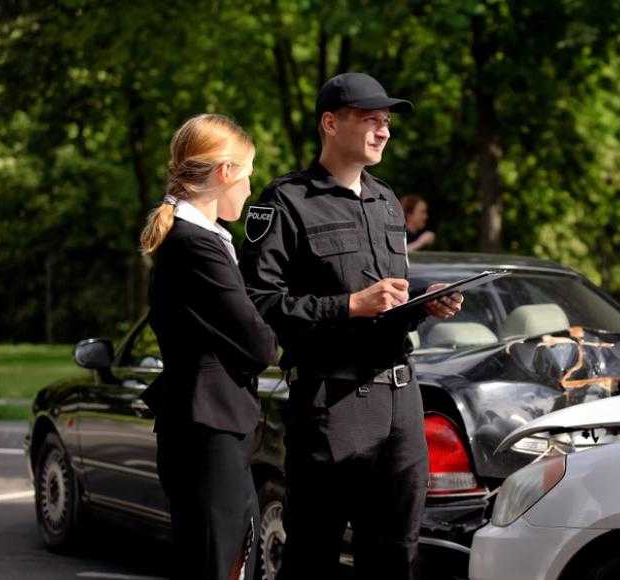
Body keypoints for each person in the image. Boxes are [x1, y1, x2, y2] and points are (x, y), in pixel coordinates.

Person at [240, 72, 462, 579]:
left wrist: (424, 302)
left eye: (386, 122)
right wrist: (346, 306)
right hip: (332, 405)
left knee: (396, 552)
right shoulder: (285, 203)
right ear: (330, 123)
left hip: (401, 403)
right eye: (370, 120)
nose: (383, 131)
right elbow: (259, 301)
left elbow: (388, 298)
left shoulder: (386, 201)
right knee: (313, 553)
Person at [140, 114, 277, 580]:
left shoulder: (198, 240)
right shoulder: (194, 244)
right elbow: (259, 345)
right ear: (225, 173)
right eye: (249, 171)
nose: (251, 184)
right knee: (220, 564)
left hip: (208, 425)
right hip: (207, 429)